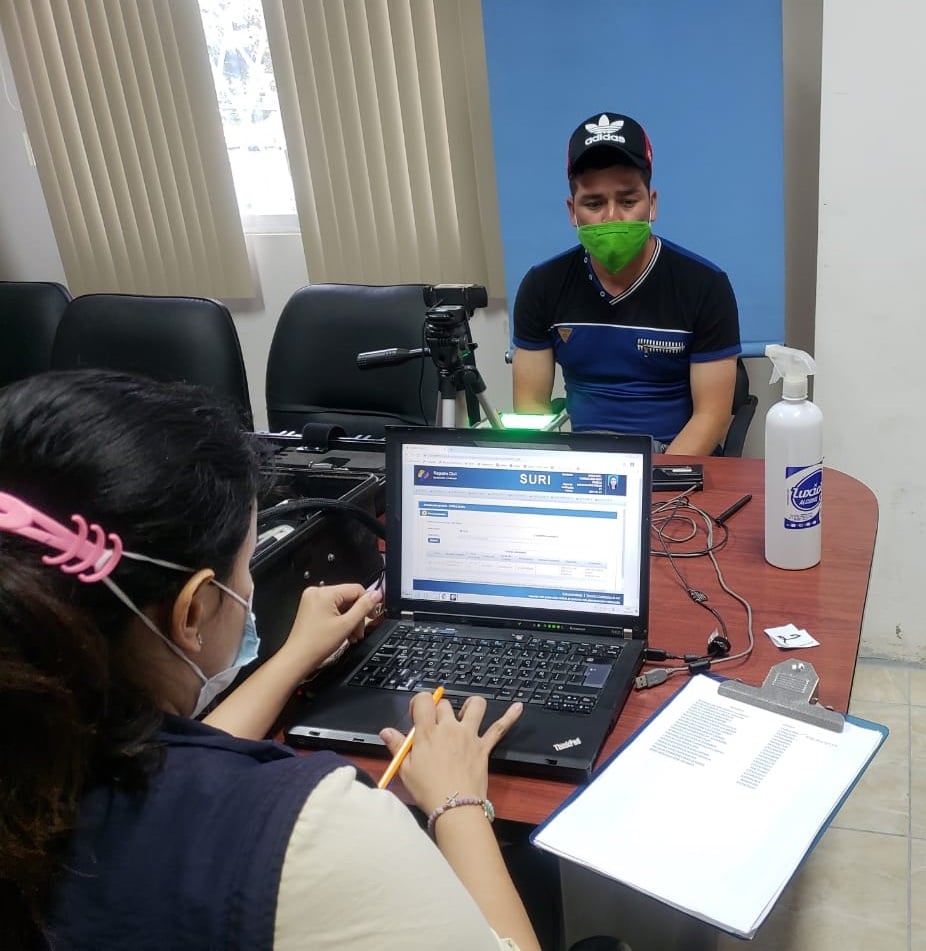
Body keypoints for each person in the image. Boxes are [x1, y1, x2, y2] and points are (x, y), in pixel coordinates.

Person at [0, 369, 542, 950]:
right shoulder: (313, 832)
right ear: (193, 611)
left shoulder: (43, 758)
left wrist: (294, 657)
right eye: (246, 561)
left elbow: (165, 770)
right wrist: (459, 801)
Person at [512, 111, 742, 455]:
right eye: (594, 203)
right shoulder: (541, 285)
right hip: (585, 459)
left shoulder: (706, 286)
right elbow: (531, 409)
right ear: (572, 211)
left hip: (673, 458)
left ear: (652, 205)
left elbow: (712, 417)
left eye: (628, 201)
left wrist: (650, 479)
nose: (611, 217)